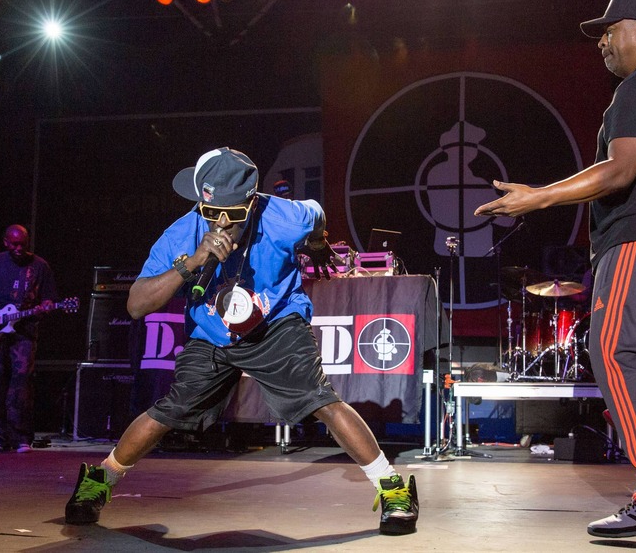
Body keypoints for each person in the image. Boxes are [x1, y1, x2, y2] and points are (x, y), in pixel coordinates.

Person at [475, 0, 636, 538]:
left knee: (614, 351)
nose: (602, 45)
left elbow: (618, 171)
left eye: (609, 32)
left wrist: (536, 196)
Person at [64, 147, 419, 536]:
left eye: (232, 213)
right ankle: (99, 481)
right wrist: (192, 262)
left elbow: (316, 214)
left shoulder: (284, 217)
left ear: (252, 200)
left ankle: (393, 489)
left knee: (320, 399)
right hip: (212, 333)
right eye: (211, 211)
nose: (220, 222)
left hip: (276, 323)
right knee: (172, 409)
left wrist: (317, 243)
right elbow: (136, 305)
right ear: (201, 200)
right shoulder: (182, 234)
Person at [0, 224, 57, 453]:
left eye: (23, 244)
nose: (19, 248)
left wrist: (47, 306)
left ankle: (21, 437)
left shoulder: (39, 267)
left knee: (21, 382)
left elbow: (49, 298)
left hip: (24, 331)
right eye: (14, 244)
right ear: (6, 242)